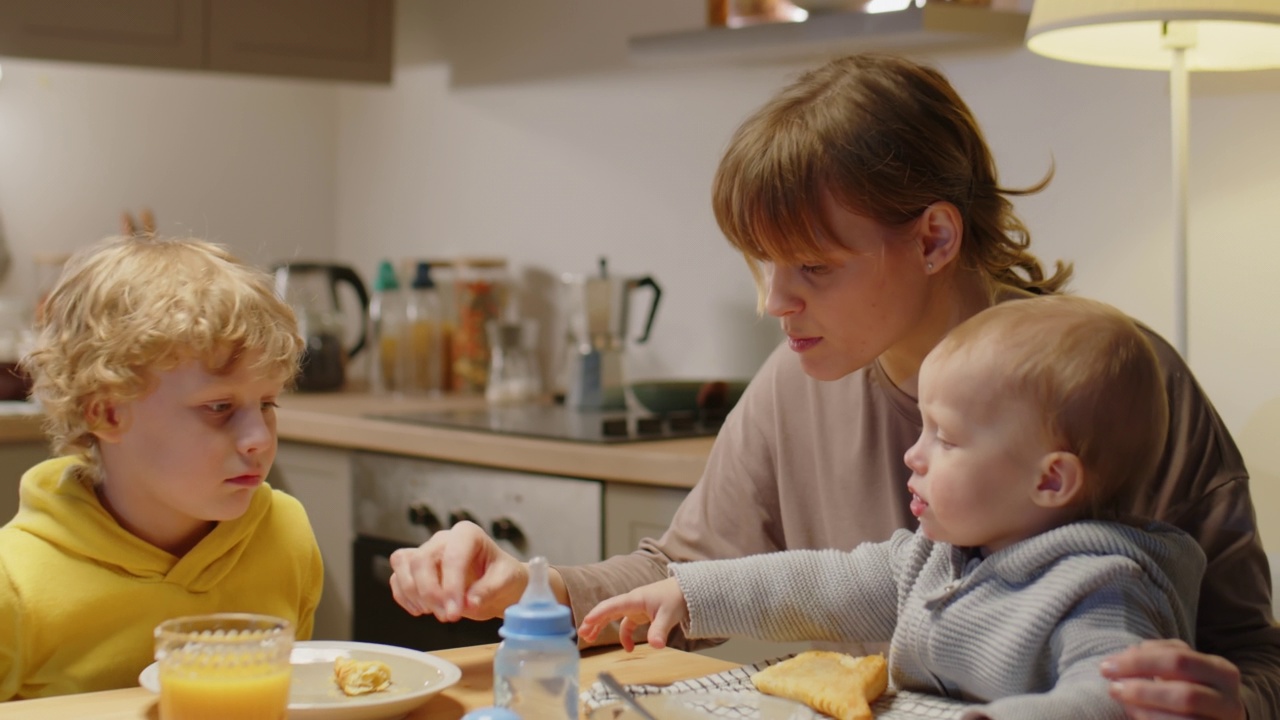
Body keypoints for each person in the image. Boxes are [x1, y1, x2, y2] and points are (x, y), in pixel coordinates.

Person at [387, 54, 1278, 719]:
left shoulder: (1119, 388)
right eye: (763, 265)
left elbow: (1253, 658)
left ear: (934, 238)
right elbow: (686, 575)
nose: (775, 302)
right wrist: (528, 588)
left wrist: (1236, 702)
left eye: (812, 265)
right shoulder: (797, 378)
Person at [579, 295, 1204, 720]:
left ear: (1052, 481)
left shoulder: (1102, 590)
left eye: (946, 439)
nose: (914, 454)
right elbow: (821, 582)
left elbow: (1112, 697)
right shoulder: (936, 559)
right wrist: (686, 593)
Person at [0, 235, 324, 701]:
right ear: (108, 414)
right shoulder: (17, 584)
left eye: (268, 403)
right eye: (218, 406)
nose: (260, 438)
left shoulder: (285, 536)